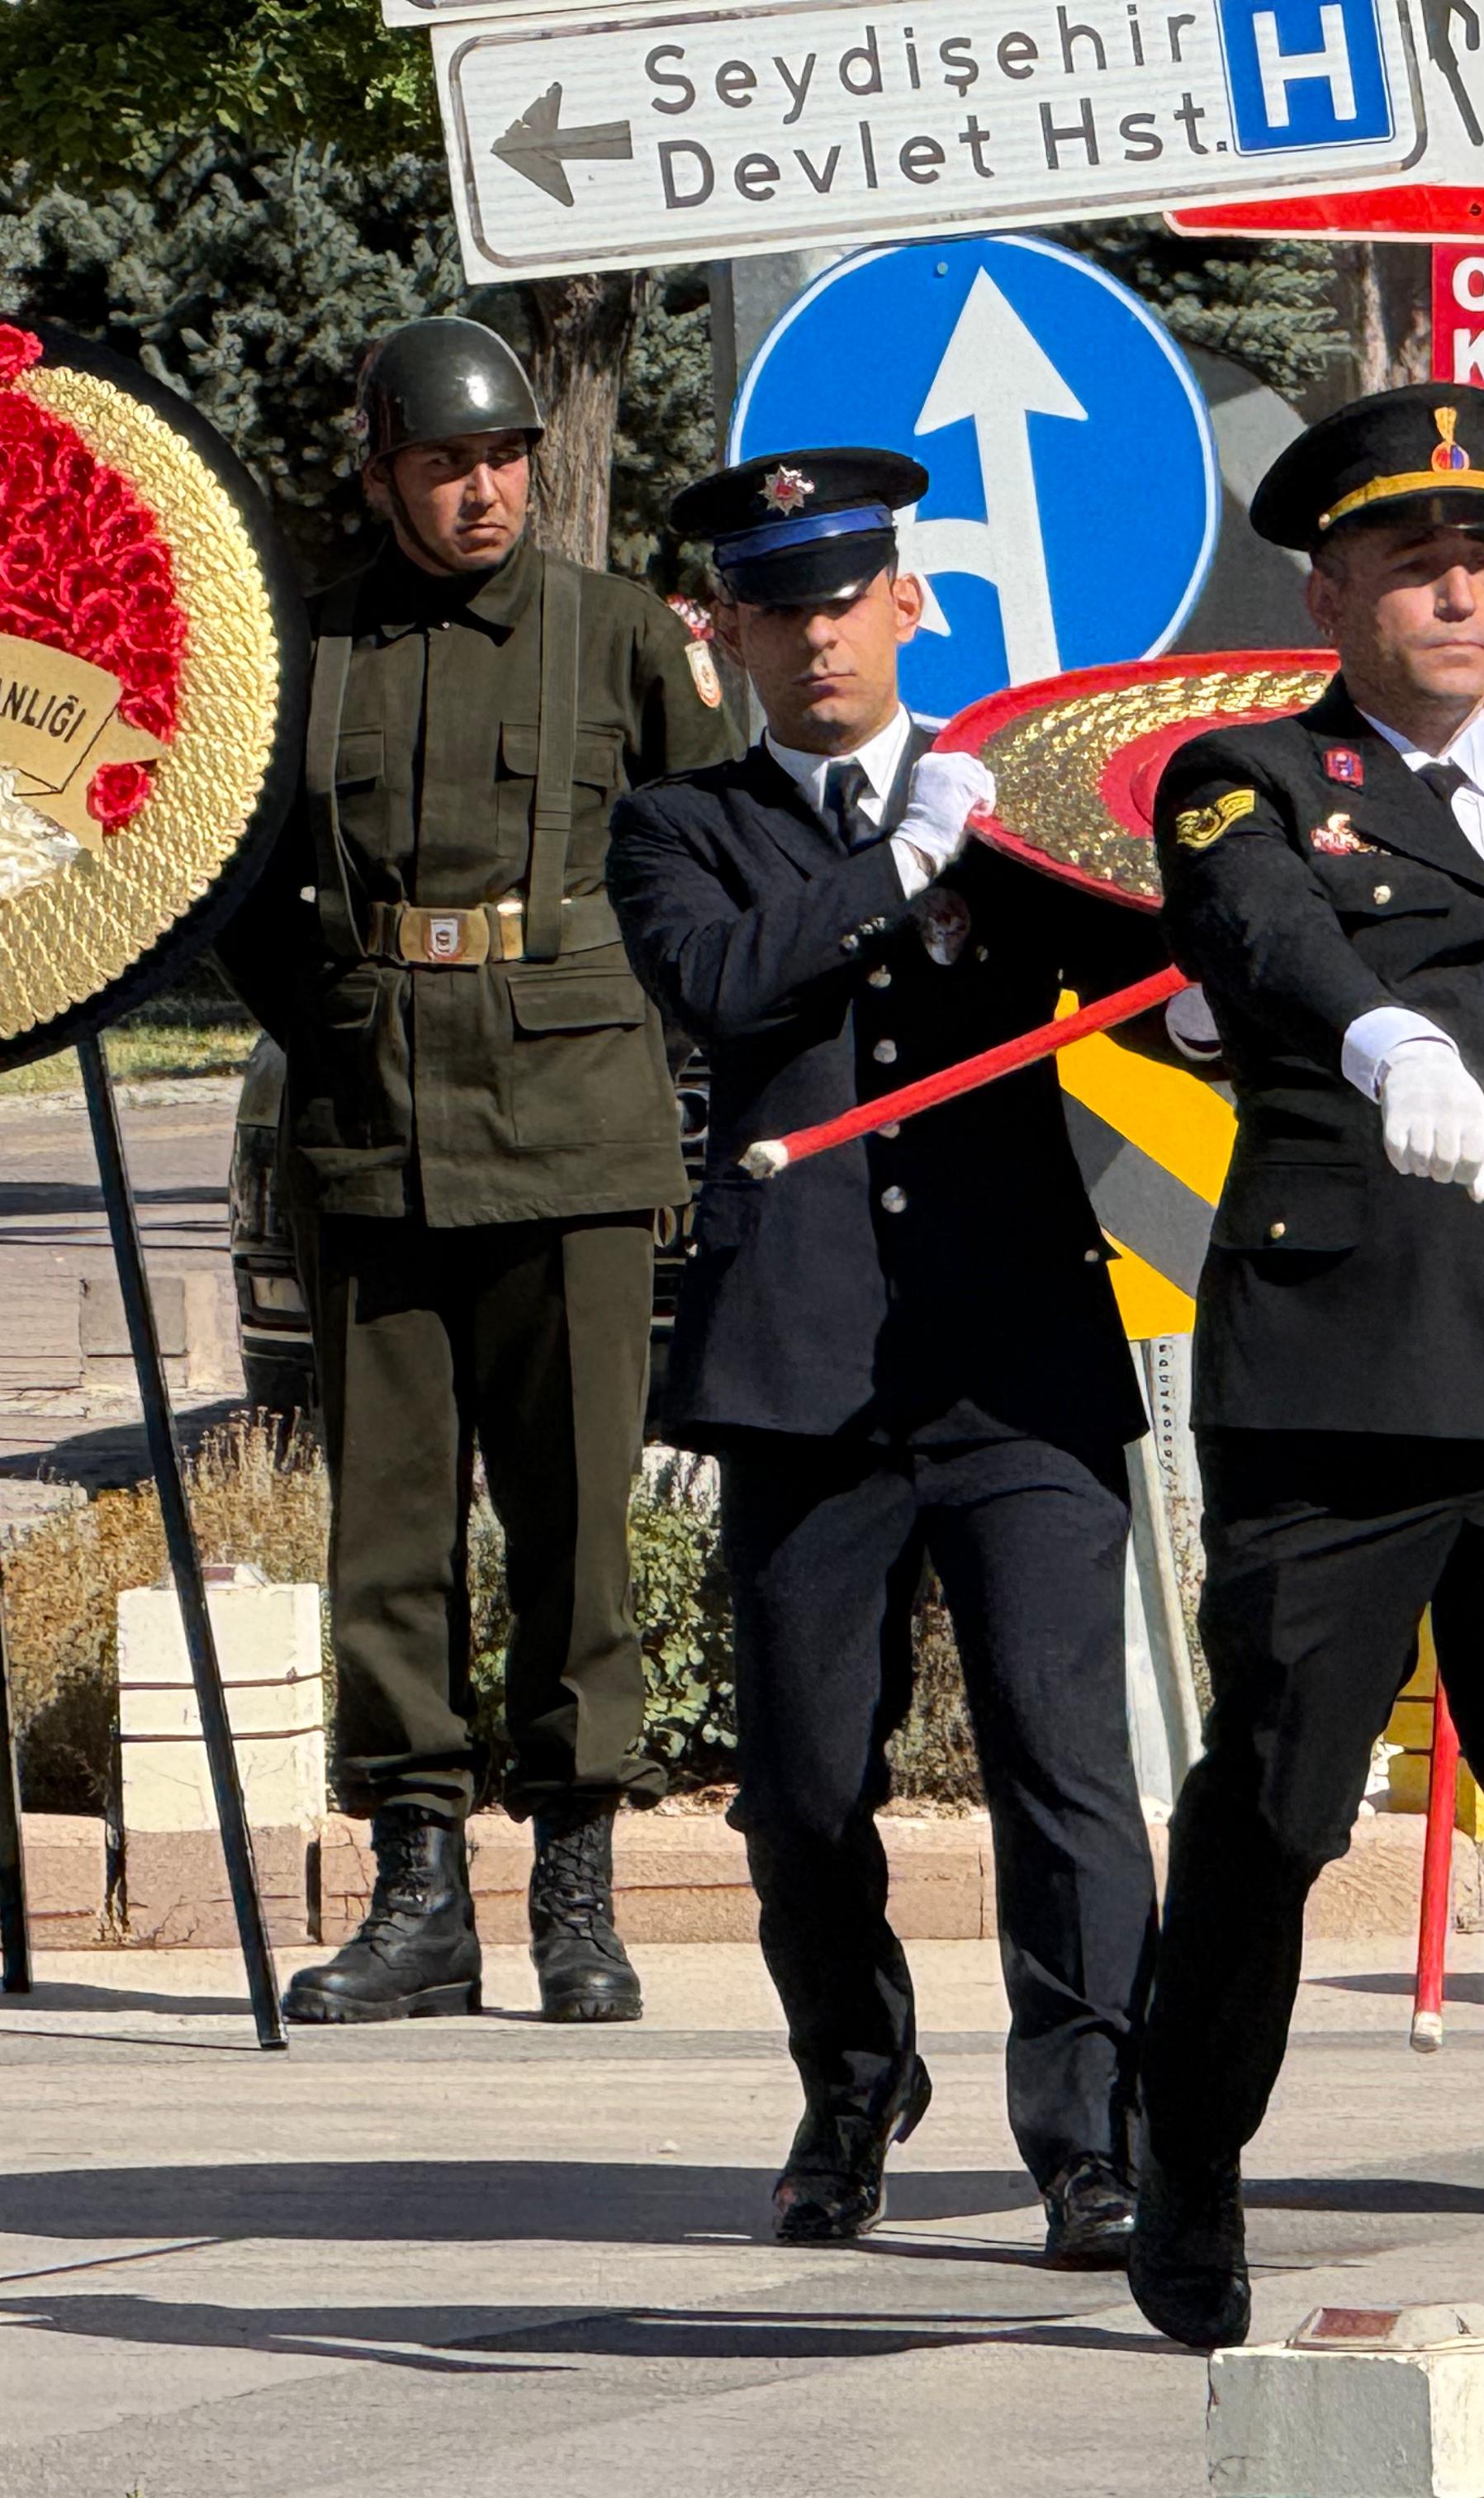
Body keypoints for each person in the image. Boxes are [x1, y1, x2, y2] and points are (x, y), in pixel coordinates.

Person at [1125, 385, 1484, 2390]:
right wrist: (1381, 1045)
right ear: (1335, 589)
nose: (1457, 592)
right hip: (1353, 1388)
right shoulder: (1251, 779)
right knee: (1281, 1803)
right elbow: (1259, 925)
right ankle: (1188, 2155)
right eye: (1410, 563)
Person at [606, 451, 1164, 2255]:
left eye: (847, 601)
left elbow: (1152, 960)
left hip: (1015, 1364)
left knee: (1062, 1763)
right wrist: (898, 867)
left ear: (907, 604)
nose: (818, 640)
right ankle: (852, 2080)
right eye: (779, 610)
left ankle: (1091, 2128)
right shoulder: (681, 827)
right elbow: (725, 983)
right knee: (804, 1789)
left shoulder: (1007, 807)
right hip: (805, 1372)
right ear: (727, 637)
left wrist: (1227, 982)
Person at [212, 317, 733, 2027]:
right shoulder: (322, 651)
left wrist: (641, 1023)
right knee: (388, 1538)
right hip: (372, 1133)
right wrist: (343, 1013)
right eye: (447, 465)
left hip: (576, 1128)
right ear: (383, 479)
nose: (486, 489)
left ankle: (577, 1885)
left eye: (504, 458)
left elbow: (707, 849)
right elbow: (251, 891)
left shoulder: (618, 634)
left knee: (580, 1520)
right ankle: (419, 1889)